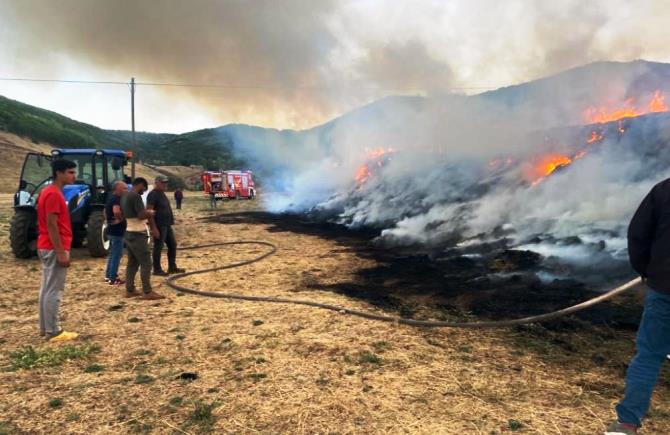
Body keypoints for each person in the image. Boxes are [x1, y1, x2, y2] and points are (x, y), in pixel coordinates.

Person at [606, 179, 670, 435]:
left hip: (664, 288)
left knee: (649, 356)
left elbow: (638, 235)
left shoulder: (665, 190)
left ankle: (626, 424)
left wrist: (648, 271)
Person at [37, 159, 78, 342]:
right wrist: (61, 251)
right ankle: (54, 331)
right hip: (54, 247)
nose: (73, 176)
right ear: (59, 173)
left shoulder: (48, 192)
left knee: (46, 289)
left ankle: (45, 328)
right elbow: (52, 224)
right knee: (54, 290)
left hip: (46, 245)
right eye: (70, 172)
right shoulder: (54, 194)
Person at [120, 177, 165, 300]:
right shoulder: (135, 197)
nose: (143, 192)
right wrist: (150, 213)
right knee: (146, 262)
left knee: (132, 262)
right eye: (143, 189)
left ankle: (130, 290)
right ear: (140, 185)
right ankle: (147, 291)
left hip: (128, 232)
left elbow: (124, 214)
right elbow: (140, 215)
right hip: (137, 234)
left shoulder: (124, 196)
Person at [147, 175, 185, 276]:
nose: (165, 184)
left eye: (166, 182)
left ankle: (172, 267)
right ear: (157, 183)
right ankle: (157, 269)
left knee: (173, 245)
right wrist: (153, 228)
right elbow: (149, 212)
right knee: (158, 246)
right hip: (159, 225)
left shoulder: (162, 193)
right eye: (163, 182)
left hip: (167, 224)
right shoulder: (153, 195)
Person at [104, 181, 127, 285]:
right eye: (124, 188)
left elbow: (104, 211)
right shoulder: (117, 199)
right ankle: (113, 277)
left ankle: (108, 275)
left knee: (112, 253)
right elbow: (116, 211)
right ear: (117, 189)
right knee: (117, 254)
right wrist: (121, 219)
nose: (126, 190)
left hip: (111, 229)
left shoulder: (110, 198)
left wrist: (108, 220)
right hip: (117, 231)